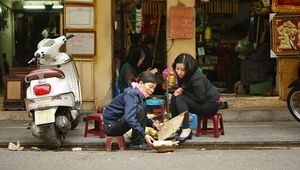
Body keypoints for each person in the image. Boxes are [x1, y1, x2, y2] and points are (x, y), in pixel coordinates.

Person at [170, 53, 221, 143]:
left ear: (189, 69)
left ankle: (186, 129)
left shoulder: (196, 78)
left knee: (180, 98)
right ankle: (176, 127)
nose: (179, 72)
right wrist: (181, 90)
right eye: (177, 69)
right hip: (201, 101)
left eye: (182, 69)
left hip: (211, 105)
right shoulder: (184, 75)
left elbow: (201, 99)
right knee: (175, 96)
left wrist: (183, 91)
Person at [103, 71, 159, 150]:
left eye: (154, 88)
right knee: (140, 108)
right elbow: (130, 118)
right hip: (110, 127)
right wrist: (144, 135)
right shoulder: (132, 93)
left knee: (141, 107)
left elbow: (140, 115)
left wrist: (152, 124)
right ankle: (137, 143)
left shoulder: (138, 94)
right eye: (150, 86)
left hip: (117, 123)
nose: (152, 90)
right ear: (141, 83)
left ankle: (138, 141)